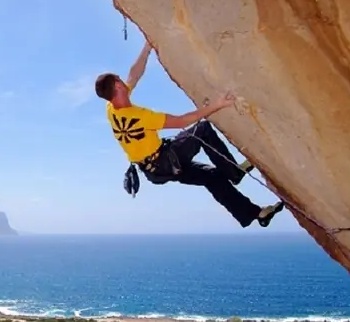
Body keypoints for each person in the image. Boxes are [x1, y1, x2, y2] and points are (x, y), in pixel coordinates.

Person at [95, 41, 284, 228]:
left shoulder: (111, 108)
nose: (123, 80)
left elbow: (134, 75)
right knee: (202, 130)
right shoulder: (140, 116)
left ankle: (255, 214)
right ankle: (234, 172)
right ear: (118, 87)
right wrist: (217, 105)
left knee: (212, 177)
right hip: (166, 161)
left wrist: (146, 48)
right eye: (119, 80)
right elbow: (183, 121)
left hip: (154, 171)